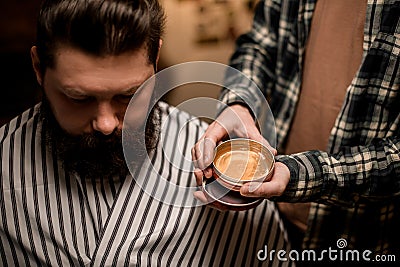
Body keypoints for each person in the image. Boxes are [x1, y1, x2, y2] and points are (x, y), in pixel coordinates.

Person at [0, 0, 293, 266]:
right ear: (38, 68)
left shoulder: (214, 165)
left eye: (129, 96)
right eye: (79, 98)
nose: (105, 124)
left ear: (156, 62)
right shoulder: (4, 161)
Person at [192, 0, 400, 262]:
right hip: (268, 215)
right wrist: (239, 103)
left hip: (360, 234)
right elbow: (259, 44)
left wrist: (299, 174)